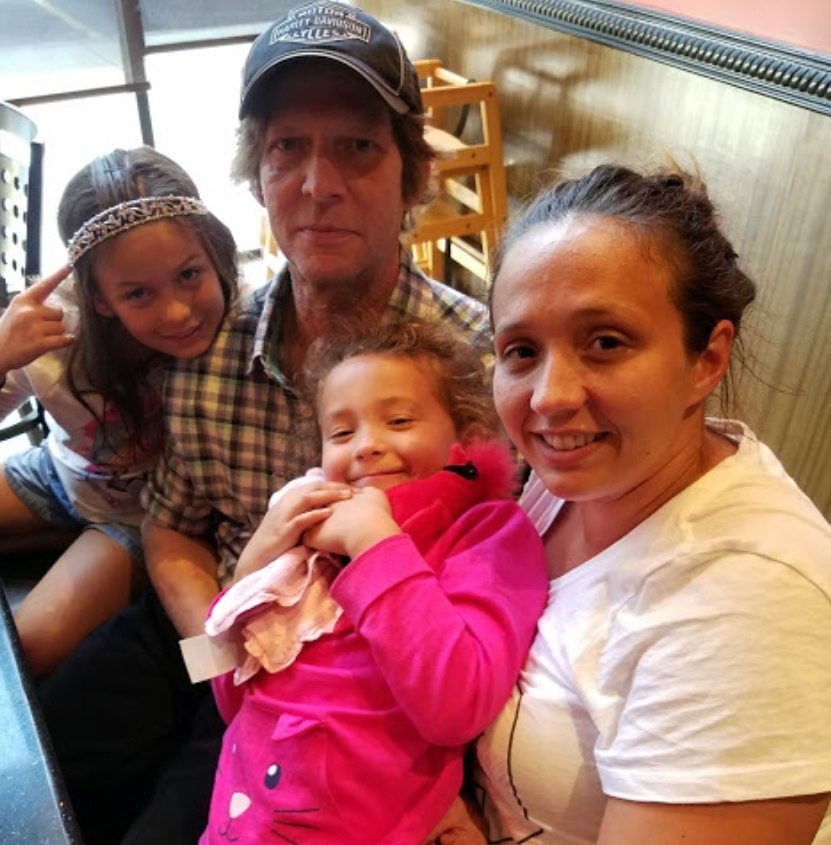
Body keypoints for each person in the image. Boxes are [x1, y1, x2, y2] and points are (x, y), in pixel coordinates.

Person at [37, 5, 492, 845]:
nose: (318, 184)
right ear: (257, 175)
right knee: (35, 758)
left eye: (357, 146)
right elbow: (170, 522)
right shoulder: (208, 344)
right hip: (212, 624)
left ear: (413, 176)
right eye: (288, 148)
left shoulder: (478, 362)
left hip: (354, 688)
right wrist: (221, 645)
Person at [434, 163, 831, 845]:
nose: (550, 397)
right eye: (521, 350)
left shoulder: (746, 601)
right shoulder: (576, 477)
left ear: (707, 359)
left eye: (605, 342)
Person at [197, 318, 547, 845]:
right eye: (341, 433)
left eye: (399, 420)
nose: (365, 446)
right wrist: (250, 567)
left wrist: (373, 542)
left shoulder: (486, 531)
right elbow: (224, 697)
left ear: (465, 436)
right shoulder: (304, 544)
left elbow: (457, 710)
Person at [0, 145, 237, 677]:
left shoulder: (243, 327)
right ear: (98, 298)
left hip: (141, 519)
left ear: (215, 254)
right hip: (60, 474)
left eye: (189, 274)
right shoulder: (54, 331)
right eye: (137, 294)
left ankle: (78, 544)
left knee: (23, 654)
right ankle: (60, 533)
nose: (176, 313)